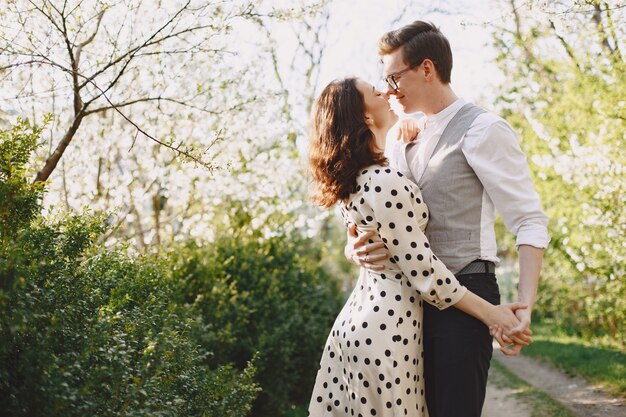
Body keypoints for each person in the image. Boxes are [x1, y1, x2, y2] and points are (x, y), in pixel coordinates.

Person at [345, 21, 550, 417]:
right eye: (383, 80)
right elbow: (382, 218)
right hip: (404, 307)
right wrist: (354, 248)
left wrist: (524, 303)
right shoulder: (398, 138)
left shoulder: (483, 129)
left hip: (466, 294)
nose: (388, 90)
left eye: (394, 77)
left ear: (426, 68)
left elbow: (529, 221)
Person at [306, 77, 528, 417]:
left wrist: (398, 143)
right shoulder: (384, 182)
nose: (388, 92)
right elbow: (426, 274)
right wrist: (492, 314)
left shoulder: (358, 180)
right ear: (365, 118)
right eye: (376, 92)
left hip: (363, 323)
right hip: (388, 331)